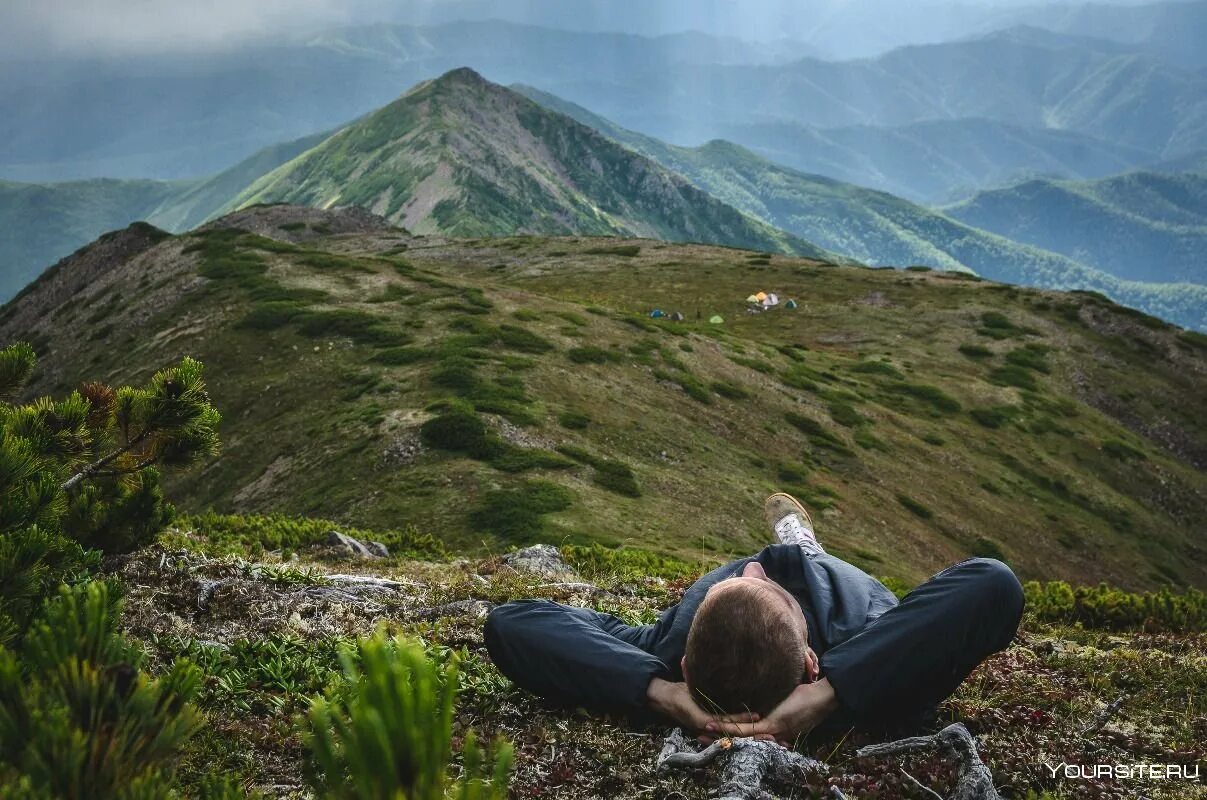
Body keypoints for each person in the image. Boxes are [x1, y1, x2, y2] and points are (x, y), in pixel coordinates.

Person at [484, 493, 1024, 745]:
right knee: (806, 556)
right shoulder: (882, 658)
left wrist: (658, 692)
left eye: (750, 577)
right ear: (812, 663)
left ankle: (789, 538)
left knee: (768, 559)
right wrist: (833, 693)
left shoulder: (663, 652)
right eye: (751, 579)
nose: (755, 569)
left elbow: (511, 622)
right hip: (827, 578)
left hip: (739, 631)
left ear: (688, 664)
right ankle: (800, 541)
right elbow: (994, 584)